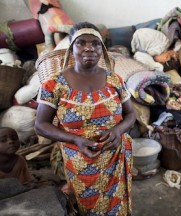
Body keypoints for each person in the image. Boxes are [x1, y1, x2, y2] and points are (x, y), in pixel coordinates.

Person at [35, 22, 136, 215]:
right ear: (71, 48)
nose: (89, 47)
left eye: (95, 43)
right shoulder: (54, 85)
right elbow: (41, 125)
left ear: (102, 48)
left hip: (115, 158)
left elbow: (131, 114)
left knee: (117, 206)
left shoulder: (115, 80)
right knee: (88, 206)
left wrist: (117, 130)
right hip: (80, 161)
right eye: (81, 43)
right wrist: (74, 139)